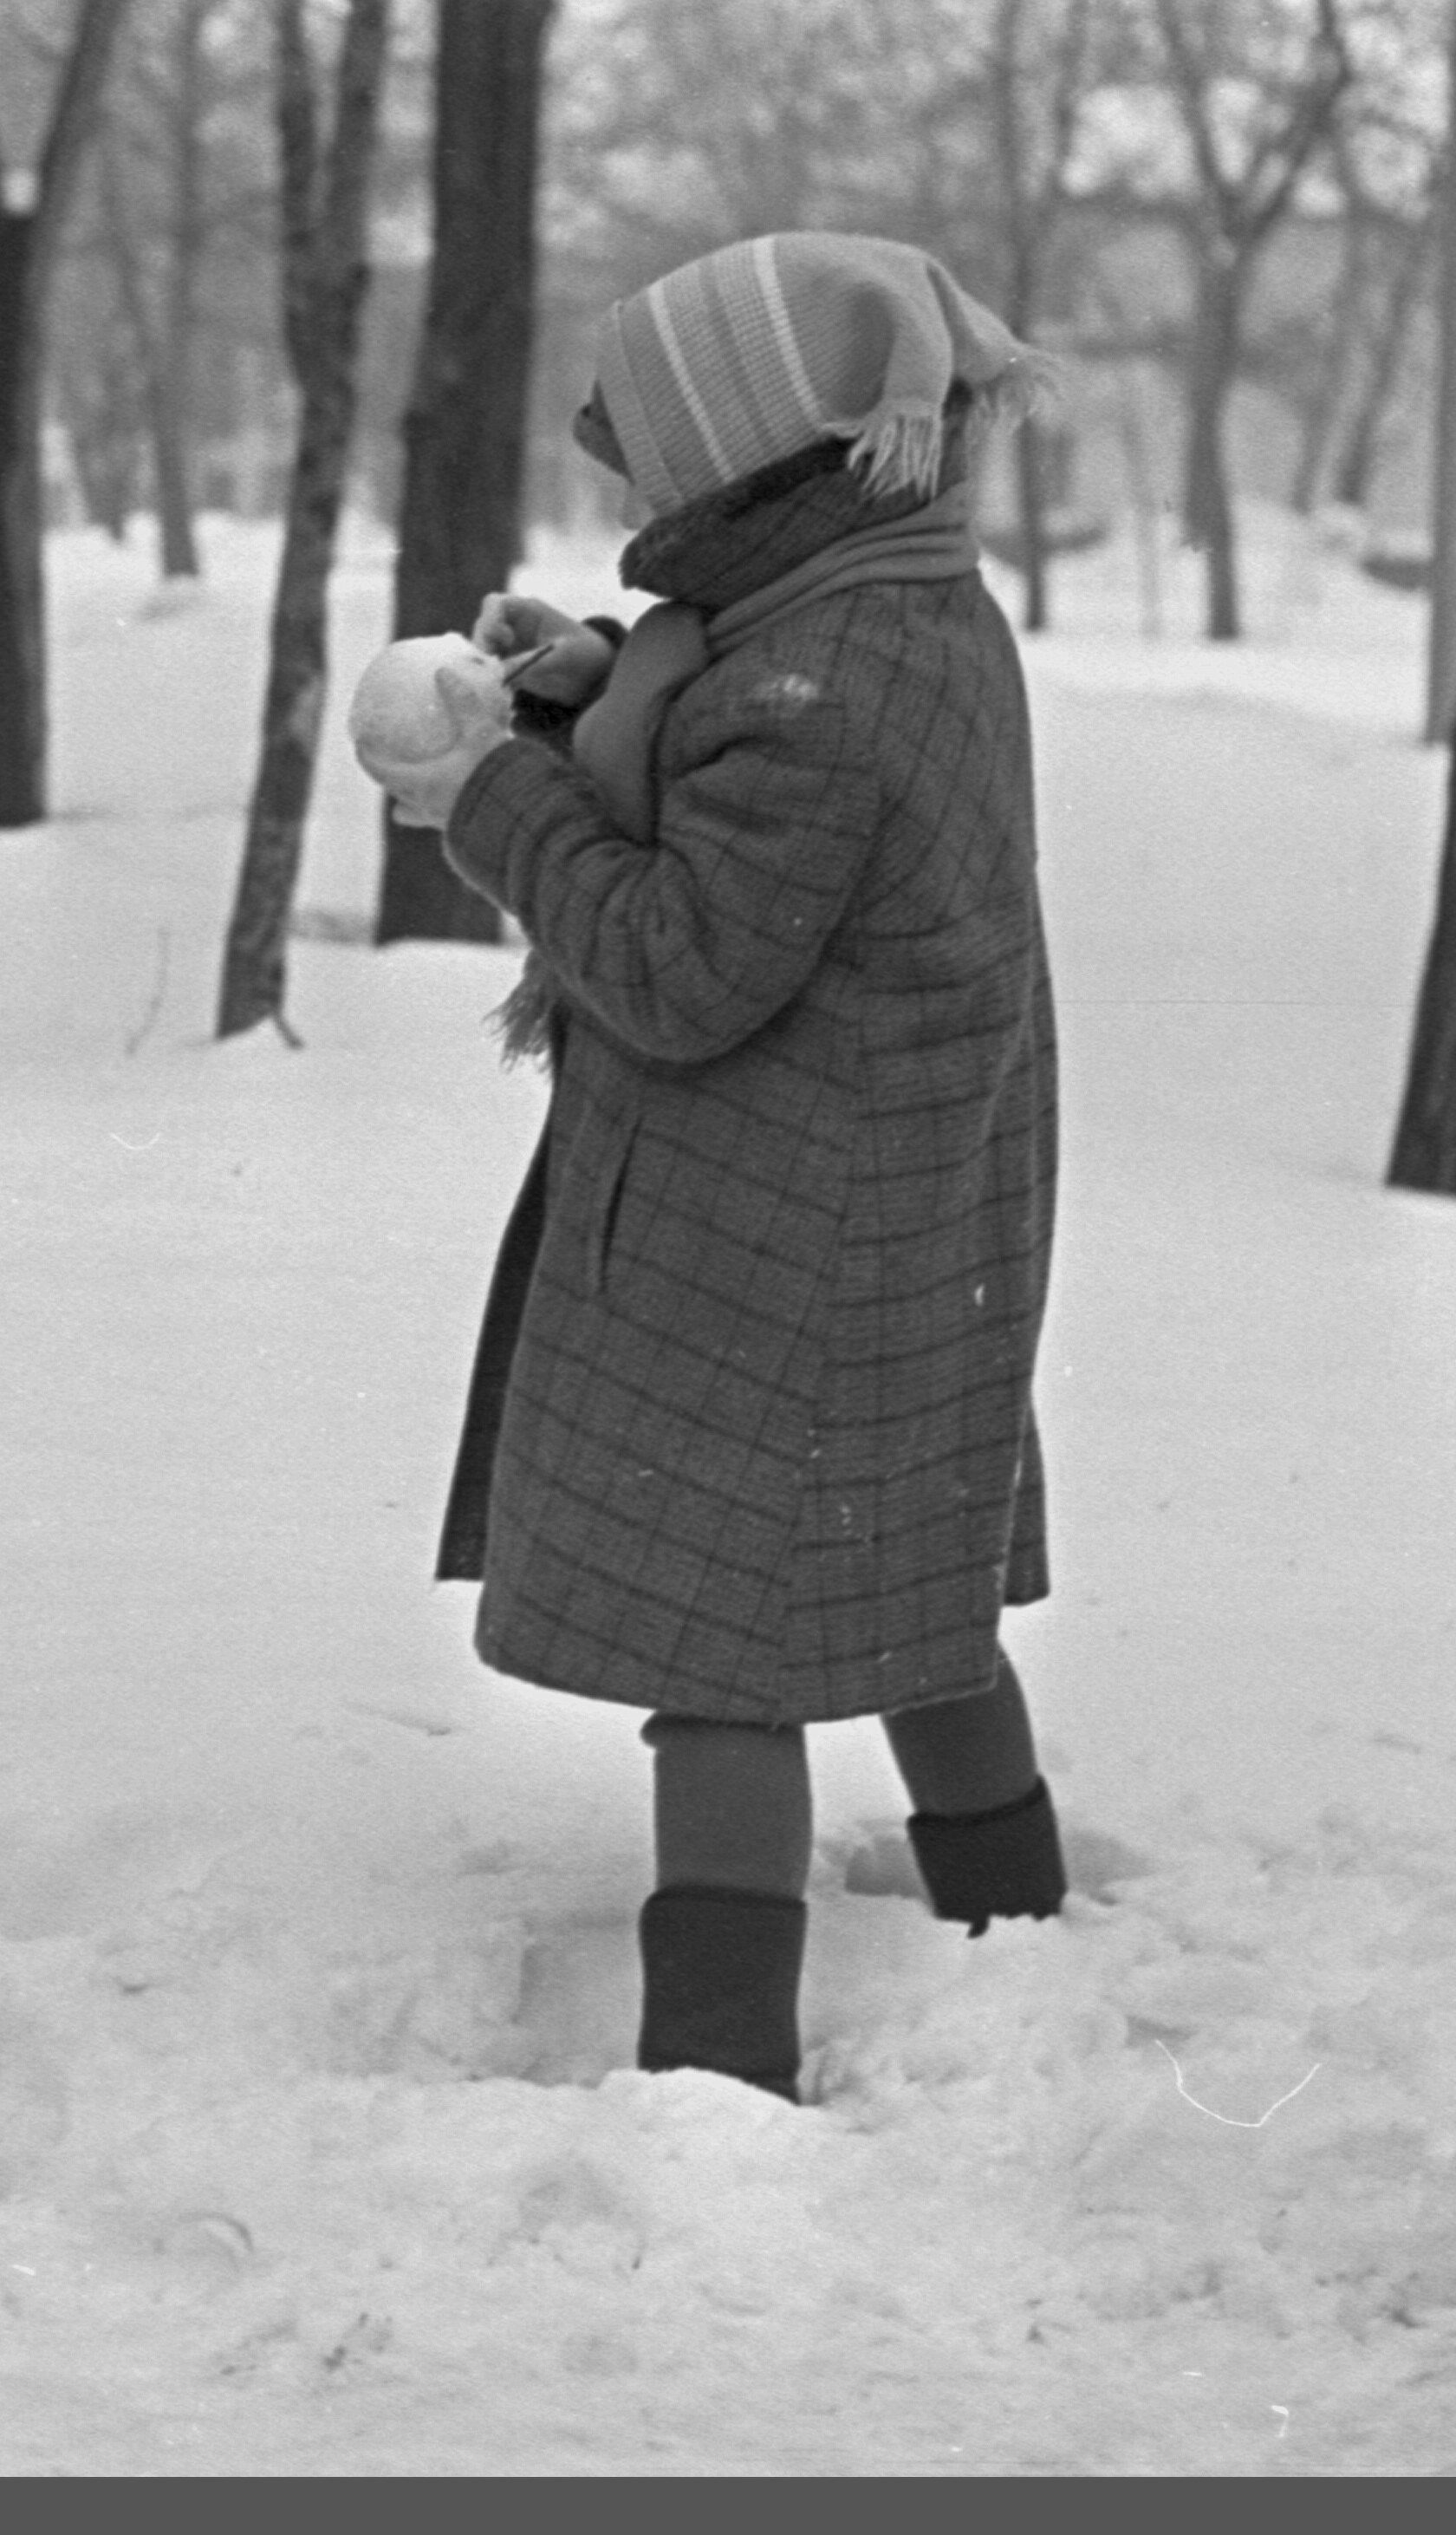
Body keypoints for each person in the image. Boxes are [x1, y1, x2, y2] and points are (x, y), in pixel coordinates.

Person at [357, 233, 1066, 2104]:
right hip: (903, 1207)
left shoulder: (810, 687)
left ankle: (717, 2069)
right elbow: (750, 770)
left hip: (781, 1238)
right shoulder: (895, 604)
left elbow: (676, 962)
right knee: (912, 1581)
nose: (631, 494)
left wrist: (493, 796)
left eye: (656, 454)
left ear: (750, 461)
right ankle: (1012, 1910)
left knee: (726, 1655)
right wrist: (594, 688)